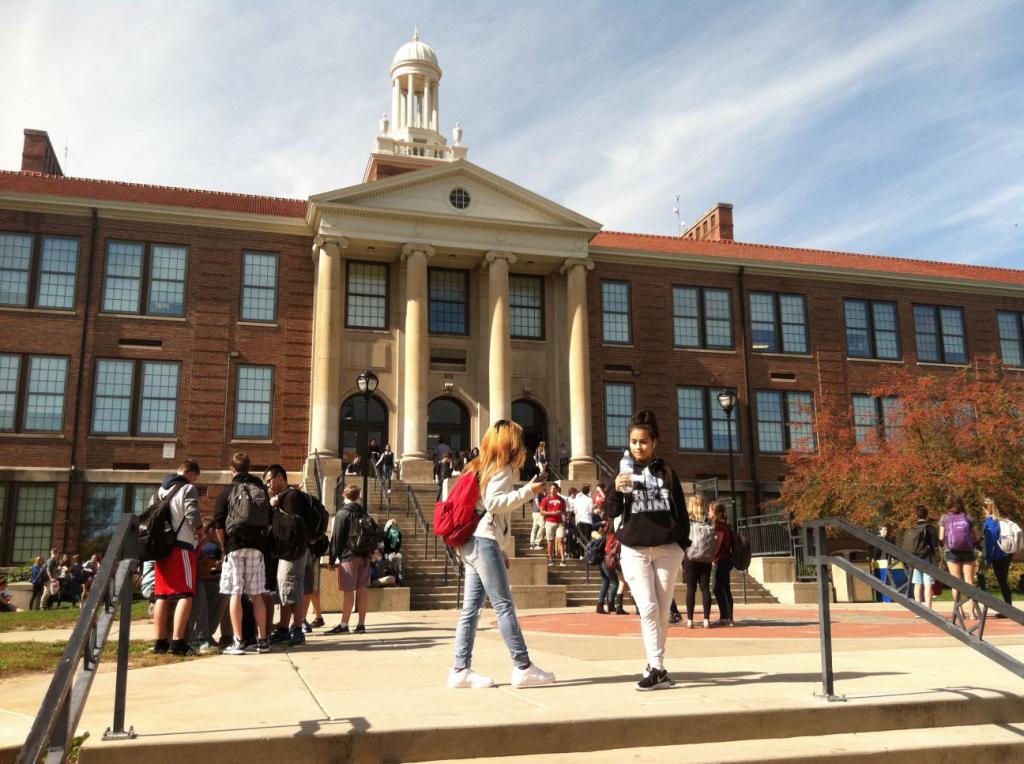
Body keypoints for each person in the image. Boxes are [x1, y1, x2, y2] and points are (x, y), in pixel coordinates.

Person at [448, 419, 554, 689]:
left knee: (470, 610)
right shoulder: (502, 467)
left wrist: (500, 548)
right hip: (483, 540)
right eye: (518, 439)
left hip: (472, 542)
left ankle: (460, 669)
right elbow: (495, 504)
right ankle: (523, 666)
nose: (522, 446)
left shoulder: (478, 465)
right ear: (510, 442)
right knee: (504, 605)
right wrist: (528, 491)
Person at [605, 409, 689, 691]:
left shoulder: (667, 471)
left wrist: (682, 544)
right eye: (633, 441)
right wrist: (615, 489)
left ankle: (658, 668)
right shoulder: (624, 473)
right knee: (649, 607)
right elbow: (610, 511)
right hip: (635, 549)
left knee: (663, 611)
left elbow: (681, 509)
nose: (638, 446)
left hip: (668, 549)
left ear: (654, 442)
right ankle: (656, 668)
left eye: (643, 441)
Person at [214, 452, 273, 655]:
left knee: (235, 593)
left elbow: (219, 524)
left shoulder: (227, 491)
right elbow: (270, 521)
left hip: (235, 546)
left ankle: (238, 641)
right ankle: (263, 640)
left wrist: (224, 547)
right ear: (250, 467)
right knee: (257, 595)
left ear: (232, 469)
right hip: (257, 547)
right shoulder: (260, 489)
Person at [150, 458, 202, 656]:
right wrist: (200, 530)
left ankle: (160, 641)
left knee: (161, 595)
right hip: (182, 546)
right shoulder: (187, 489)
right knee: (185, 593)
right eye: (195, 478)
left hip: (161, 549)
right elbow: (192, 513)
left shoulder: (159, 491)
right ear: (191, 474)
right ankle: (178, 641)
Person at [264, 464, 319, 647]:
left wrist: (276, 505)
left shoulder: (292, 497)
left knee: (292, 589)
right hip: (286, 552)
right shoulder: (283, 498)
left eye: (270, 480)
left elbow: (293, 525)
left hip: (294, 551)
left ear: (280, 477)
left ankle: (297, 628)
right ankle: (283, 628)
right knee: (283, 590)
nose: (269, 485)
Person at [326, 484, 373, 635]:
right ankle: (361, 624)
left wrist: (332, 558)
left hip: (348, 555)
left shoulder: (342, 514)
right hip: (364, 555)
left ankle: (344, 624)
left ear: (344, 495)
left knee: (348, 591)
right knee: (362, 589)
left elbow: (337, 539)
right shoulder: (364, 513)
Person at [938, 494, 981, 620]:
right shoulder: (968, 517)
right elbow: (977, 536)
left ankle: (960, 611)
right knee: (969, 581)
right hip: (968, 551)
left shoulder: (944, 518)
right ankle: (972, 613)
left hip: (952, 552)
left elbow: (941, 537)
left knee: (956, 582)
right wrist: (971, 543)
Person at [683, 495, 714, 629]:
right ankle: (706, 619)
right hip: (706, 558)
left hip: (690, 556)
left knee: (691, 588)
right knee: (705, 588)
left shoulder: (687, 520)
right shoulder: (708, 520)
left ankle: (690, 620)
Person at [902, 505, 939, 611]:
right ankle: (928, 609)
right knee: (928, 584)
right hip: (927, 559)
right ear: (926, 515)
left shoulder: (911, 528)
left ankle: (918, 610)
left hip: (914, 559)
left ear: (916, 515)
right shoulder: (930, 528)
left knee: (917, 583)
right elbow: (935, 545)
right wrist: (938, 558)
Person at [982, 497, 1013, 614]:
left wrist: (987, 558)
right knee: (1004, 580)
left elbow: (990, 543)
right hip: (1007, 554)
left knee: (1002, 581)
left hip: (997, 555)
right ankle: (1008, 605)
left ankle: (1008, 608)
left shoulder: (988, 523)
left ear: (985, 508)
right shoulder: (1001, 520)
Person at [710, 501, 735, 627]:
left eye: (711, 511)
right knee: (725, 588)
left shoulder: (719, 527)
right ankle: (729, 617)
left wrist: (711, 556)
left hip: (721, 559)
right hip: (727, 560)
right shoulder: (726, 525)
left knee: (717, 588)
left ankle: (725, 617)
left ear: (717, 513)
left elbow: (717, 544)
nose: (709, 513)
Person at [596, 521, 621, 614]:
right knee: (615, 583)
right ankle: (611, 604)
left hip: (601, 558)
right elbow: (611, 548)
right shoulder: (613, 534)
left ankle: (600, 605)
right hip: (607, 559)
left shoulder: (604, 531)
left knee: (605, 582)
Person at [540, 483, 567, 566]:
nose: (552, 490)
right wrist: (552, 513)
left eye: (554, 488)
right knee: (550, 541)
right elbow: (541, 512)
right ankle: (550, 559)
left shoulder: (562, 500)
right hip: (549, 522)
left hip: (560, 522)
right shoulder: (545, 499)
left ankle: (562, 559)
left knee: (560, 540)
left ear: (557, 489)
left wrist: (561, 512)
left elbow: (564, 511)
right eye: (551, 488)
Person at [575, 486, 595, 552]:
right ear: (588, 491)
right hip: (587, 521)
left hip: (579, 520)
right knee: (587, 538)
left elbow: (575, 510)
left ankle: (581, 555)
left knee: (581, 538)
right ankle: (586, 553)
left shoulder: (578, 499)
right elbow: (591, 511)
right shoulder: (589, 499)